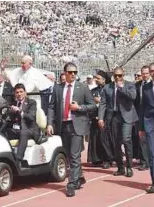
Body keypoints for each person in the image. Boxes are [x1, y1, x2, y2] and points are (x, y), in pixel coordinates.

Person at [47, 62, 96, 197]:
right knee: (69, 155)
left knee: (74, 155)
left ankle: (71, 184)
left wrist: (79, 107)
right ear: (65, 73)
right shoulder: (57, 88)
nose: (73, 74)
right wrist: (50, 123)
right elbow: (51, 107)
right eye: (70, 72)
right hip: (63, 125)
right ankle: (79, 177)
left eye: (75, 72)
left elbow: (92, 106)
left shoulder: (83, 87)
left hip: (77, 125)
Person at [98, 67, 139, 178]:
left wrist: (121, 88)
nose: (117, 78)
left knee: (126, 140)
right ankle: (120, 167)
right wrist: (101, 118)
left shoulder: (130, 85)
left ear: (123, 75)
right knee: (116, 143)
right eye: (115, 75)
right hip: (113, 117)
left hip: (127, 116)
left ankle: (129, 167)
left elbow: (133, 97)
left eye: (120, 75)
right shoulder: (107, 87)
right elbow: (103, 103)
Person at [139, 62, 154, 193]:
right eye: (152, 71)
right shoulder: (146, 87)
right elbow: (142, 107)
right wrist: (141, 127)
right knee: (153, 154)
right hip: (150, 124)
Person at [87, 70, 114, 169]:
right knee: (95, 138)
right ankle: (96, 158)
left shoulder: (110, 89)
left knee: (105, 138)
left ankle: (108, 159)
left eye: (98, 78)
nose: (96, 80)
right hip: (95, 117)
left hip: (107, 118)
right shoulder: (93, 91)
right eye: (96, 78)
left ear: (104, 79)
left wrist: (101, 101)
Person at [6, 83, 40, 162]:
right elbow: (10, 119)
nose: (19, 94)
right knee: (2, 132)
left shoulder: (31, 102)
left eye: (21, 92)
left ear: (25, 92)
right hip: (16, 129)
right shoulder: (13, 103)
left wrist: (19, 111)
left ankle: (18, 159)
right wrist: (10, 113)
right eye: (17, 92)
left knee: (23, 133)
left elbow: (31, 117)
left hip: (30, 129)